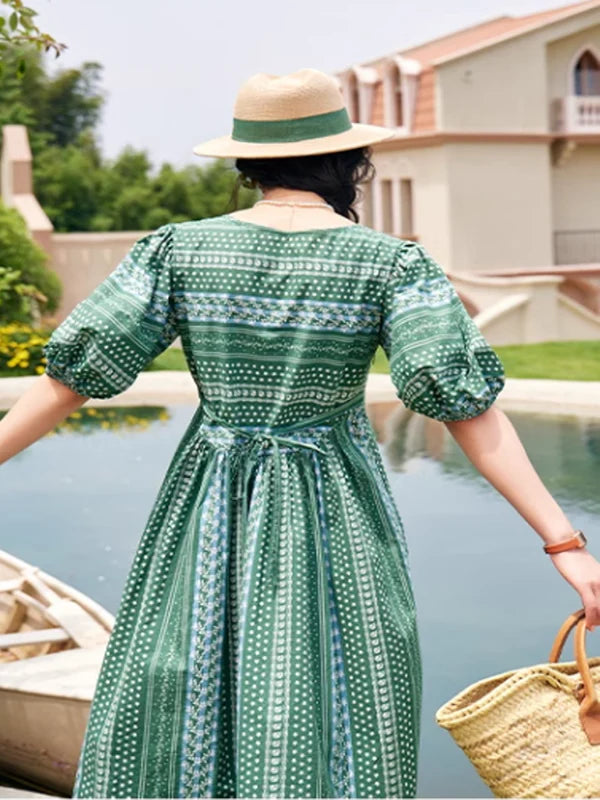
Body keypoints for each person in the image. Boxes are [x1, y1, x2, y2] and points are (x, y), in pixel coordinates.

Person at [0, 66, 598, 800]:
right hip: (335, 511)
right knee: (341, 690)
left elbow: (71, 380)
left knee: (185, 680)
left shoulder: (178, 251)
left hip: (207, 505)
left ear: (247, 164)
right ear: (350, 162)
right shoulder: (391, 265)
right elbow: (464, 407)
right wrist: (564, 544)